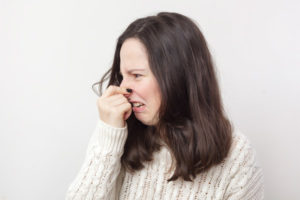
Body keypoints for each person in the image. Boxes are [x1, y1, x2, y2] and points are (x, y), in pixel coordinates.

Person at [65, 12, 264, 200]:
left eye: (136, 75)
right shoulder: (119, 138)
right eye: (122, 76)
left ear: (177, 77)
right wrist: (108, 134)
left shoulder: (237, 156)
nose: (123, 87)